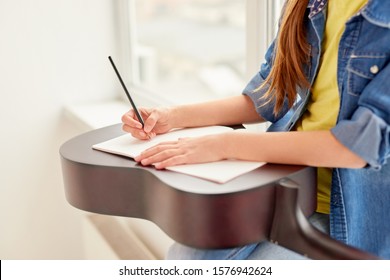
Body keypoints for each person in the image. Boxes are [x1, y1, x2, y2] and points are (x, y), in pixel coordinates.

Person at [121, 0, 390, 259]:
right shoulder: (308, 4)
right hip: (284, 186)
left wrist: (224, 145)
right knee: (190, 255)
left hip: (353, 217)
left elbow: (356, 147)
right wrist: (173, 116)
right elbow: (272, 93)